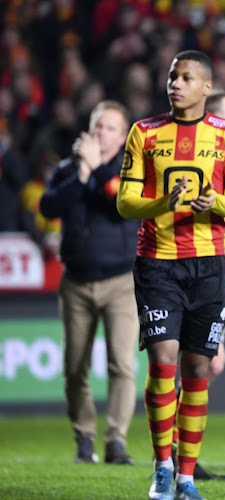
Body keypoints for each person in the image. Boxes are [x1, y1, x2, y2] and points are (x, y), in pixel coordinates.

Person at [117, 50, 225, 500]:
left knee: (198, 368)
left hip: (208, 264)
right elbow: (125, 202)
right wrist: (162, 203)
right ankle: (162, 467)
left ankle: (187, 476)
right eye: (173, 76)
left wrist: (214, 202)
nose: (175, 83)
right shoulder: (145, 132)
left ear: (206, 87)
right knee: (163, 360)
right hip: (158, 262)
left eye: (186, 77)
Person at [39, 100, 140, 465]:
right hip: (76, 282)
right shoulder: (68, 169)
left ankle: (116, 441)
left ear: (124, 136)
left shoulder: (132, 171)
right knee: (75, 367)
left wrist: (95, 172)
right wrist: (81, 175)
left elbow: (119, 207)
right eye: (98, 125)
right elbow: (48, 208)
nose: (101, 133)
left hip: (121, 281)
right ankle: (84, 438)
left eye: (111, 127)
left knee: (121, 364)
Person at [165, 88, 225, 482]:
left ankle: (182, 453)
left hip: (212, 267)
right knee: (203, 361)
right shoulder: (205, 156)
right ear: (216, 118)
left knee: (210, 361)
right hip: (181, 273)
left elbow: (221, 228)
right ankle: (173, 455)